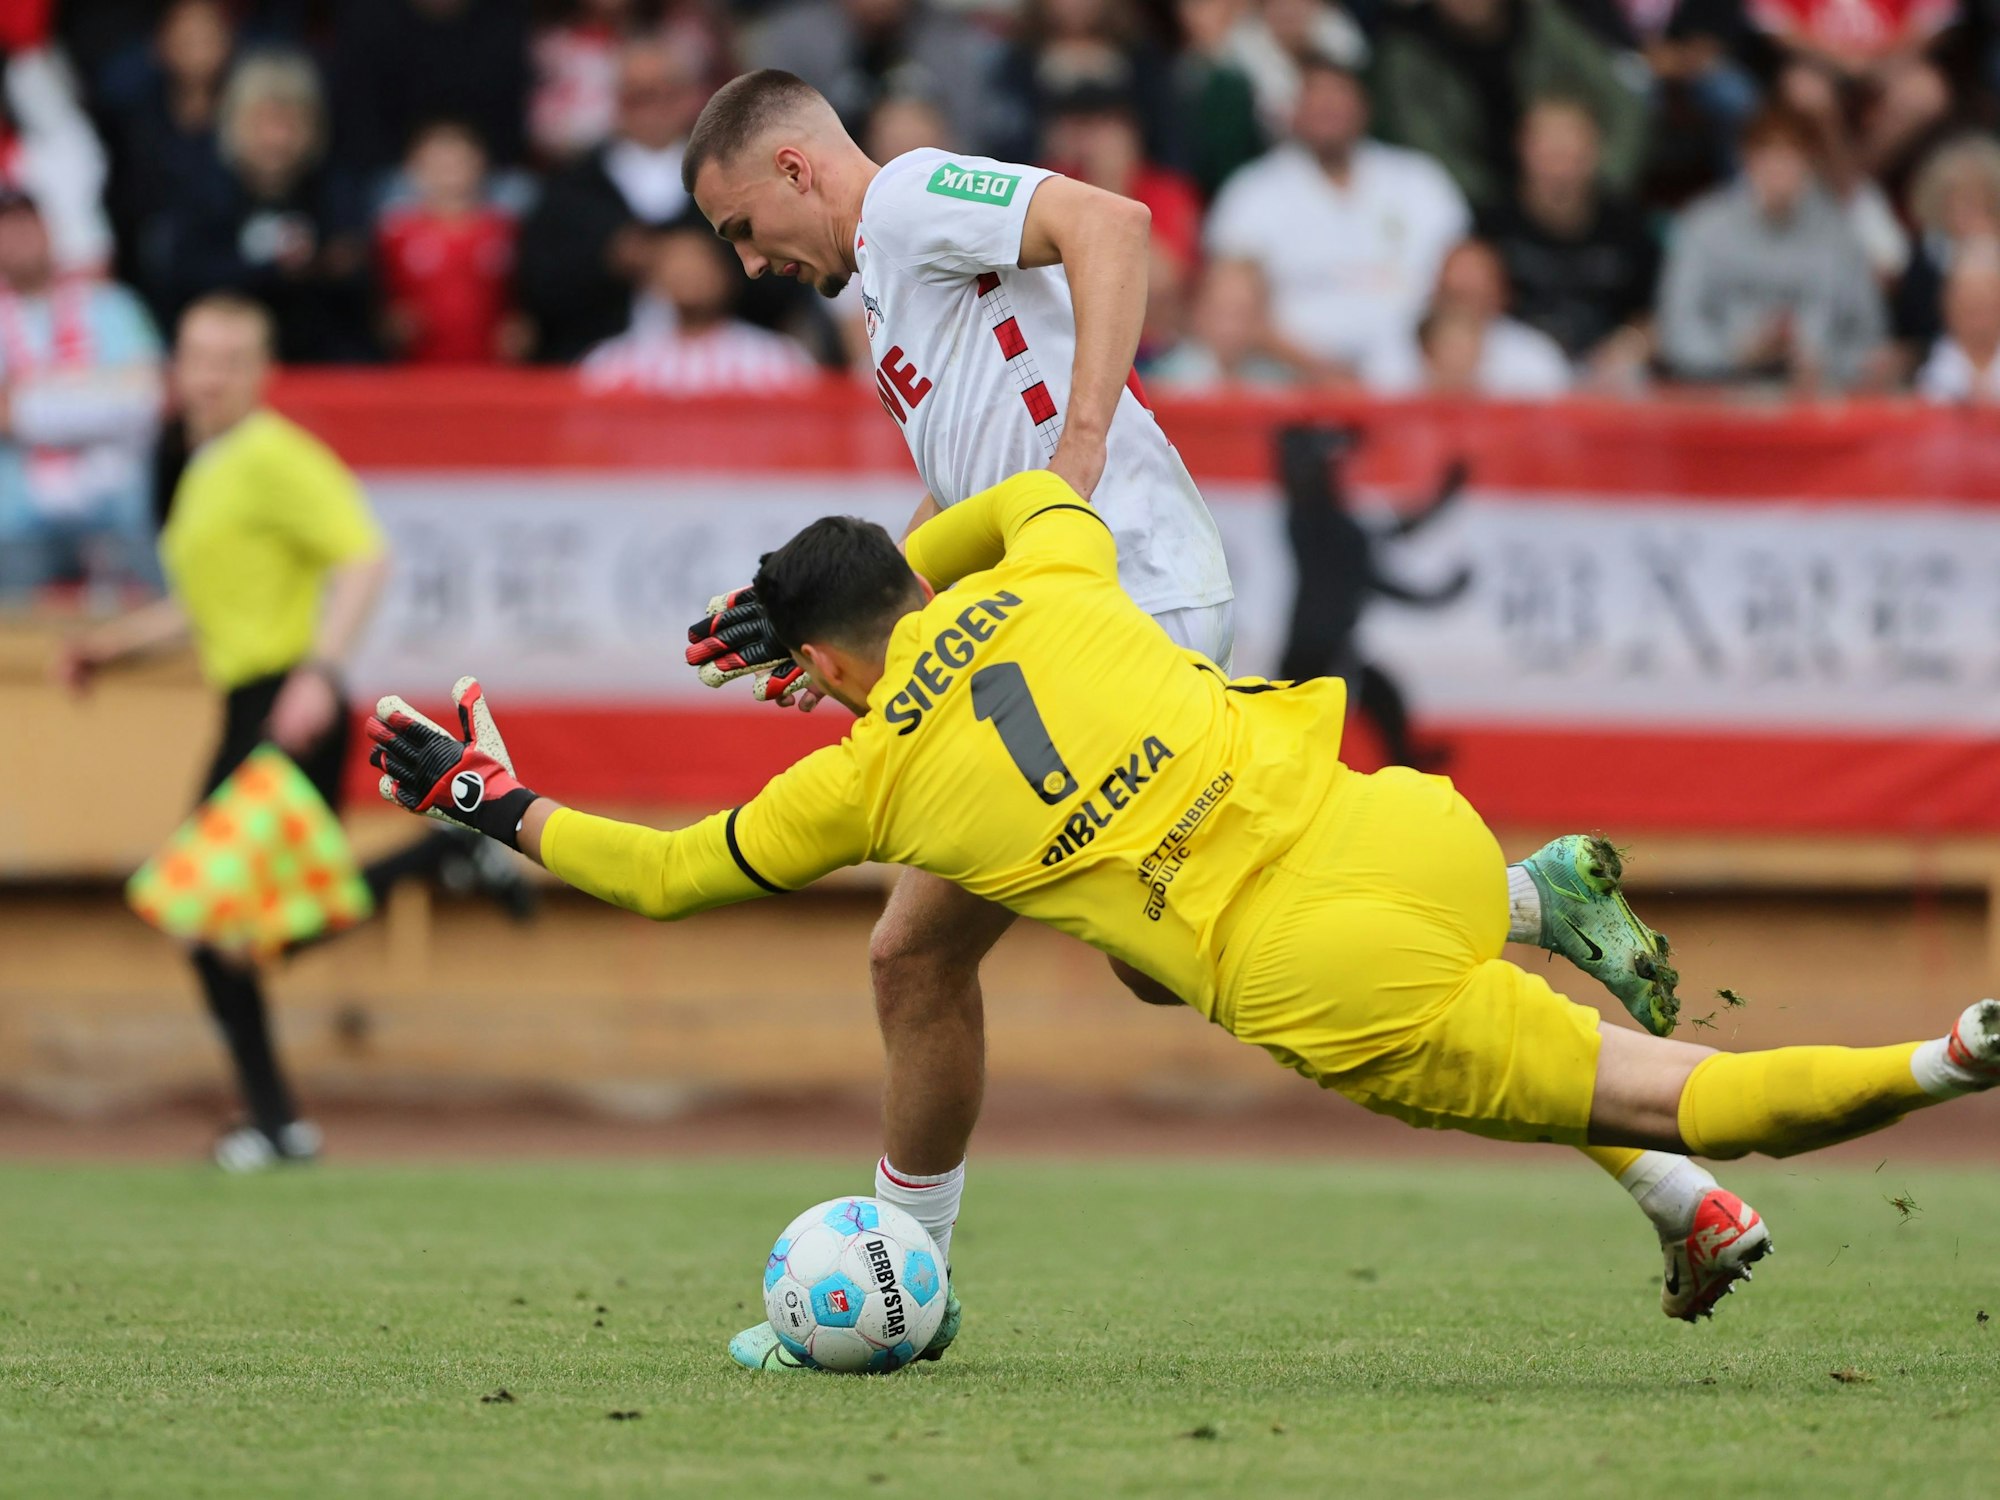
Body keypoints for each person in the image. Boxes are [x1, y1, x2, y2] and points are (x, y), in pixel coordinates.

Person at [374, 472, 2000, 1369]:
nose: (796, 696)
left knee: (1679, 1097)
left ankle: (1943, 1060)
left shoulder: (867, 782)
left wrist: (476, 796)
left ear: (836, 660)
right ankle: (1538, 903)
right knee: (1612, 1069)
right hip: (1397, 824)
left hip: (1318, 973)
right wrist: (862, 581)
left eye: (796, 669)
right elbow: (1023, 494)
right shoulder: (1060, 575)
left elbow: (657, 872)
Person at [665, 69, 1721, 1368]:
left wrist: (1086, 448)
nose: (752, 262)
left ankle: (904, 1284)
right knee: (1246, 938)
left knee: (920, 957)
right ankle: (1637, 1112)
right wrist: (844, 637)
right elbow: (988, 473)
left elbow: (1111, 222)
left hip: (1130, 596)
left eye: (740, 230)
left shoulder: (915, 196)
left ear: (792, 171)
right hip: (1085, 617)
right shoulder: (887, 280)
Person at [53, 294, 387, 1170]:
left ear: (260, 371)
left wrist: (318, 674)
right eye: (196, 356)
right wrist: (109, 650)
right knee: (229, 929)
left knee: (207, 919)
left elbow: (363, 557)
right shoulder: (208, 465)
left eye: (228, 358)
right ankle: (277, 1125)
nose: (208, 375)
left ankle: (275, 1124)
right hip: (248, 704)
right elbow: (200, 612)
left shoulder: (275, 454)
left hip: (288, 706)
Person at [1204, 57, 1469, 380]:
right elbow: (1230, 301)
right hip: (1289, 376)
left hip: (1421, 371)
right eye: (1316, 97)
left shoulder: (1419, 180)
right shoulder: (1252, 192)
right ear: (1293, 110)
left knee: (1533, 365)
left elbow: (1468, 277)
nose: (1328, 108)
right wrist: (1325, 374)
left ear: (1365, 106)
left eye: (1339, 96)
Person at [134, 50, 376, 363]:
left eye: (291, 123)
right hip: (222, 365)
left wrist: (325, 267)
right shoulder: (200, 188)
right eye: (264, 122)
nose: (277, 139)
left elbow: (359, 291)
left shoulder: (337, 191)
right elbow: (183, 278)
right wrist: (272, 271)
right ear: (235, 122)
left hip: (317, 366)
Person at [0, 189, 165, 600]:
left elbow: (150, 400)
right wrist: (98, 392)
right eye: (5, 228)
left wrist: (27, 407)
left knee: (161, 610)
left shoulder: (114, 307)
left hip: (119, 517)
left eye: (26, 224)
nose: (16, 238)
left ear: (49, 230)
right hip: (16, 528)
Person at [1657, 105, 1887, 391]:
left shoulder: (1840, 235)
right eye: (1769, 155)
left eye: (1792, 157)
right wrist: (1736, 354)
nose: (1779, 168)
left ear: (1811, 163)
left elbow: (1869, 338)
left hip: (1816, 395)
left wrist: (1822, 360)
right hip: (1720, 393)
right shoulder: (1703, 227)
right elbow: (1677, 329)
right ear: (1746, 158)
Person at [514, 37, 707, 361]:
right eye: (638, 97)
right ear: (617, 101)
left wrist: (710, 270)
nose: (654, 109)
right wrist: (605, 262)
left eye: (667, 94)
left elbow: (779, 287)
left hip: (717, 374)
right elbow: (536, 289)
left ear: (692, 98)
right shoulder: (570, 189)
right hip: (591, 375)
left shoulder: (734, 182)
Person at [1369, 0, 1650, 214]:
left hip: (1574, 197)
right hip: (1471, 209)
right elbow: (1427, 149)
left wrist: (1601, 181)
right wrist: (1499, 209)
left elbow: (1624, 102)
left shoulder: (1538, 16)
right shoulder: (1407, 47)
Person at [1480, 97, 1659, 390]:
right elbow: (1464, 309)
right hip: (1511, 384)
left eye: (1571, 154)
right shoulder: (1492, 226)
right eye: (1549, 154)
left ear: (1594, 153)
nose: (1560, 169)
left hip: (1607, 385)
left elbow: (1655, 313)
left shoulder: (1626, 226)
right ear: (1523, 149)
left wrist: (1631, 345)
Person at [580, 221, 818, 391]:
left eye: (699, 262)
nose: (689, 273)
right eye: (676, 264)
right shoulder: (611, 365)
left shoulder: (777, 360)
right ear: (653, 278)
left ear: (728, 275)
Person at [376, 121, 522, 364]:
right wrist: (389, 323)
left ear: (480, 163)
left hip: (492, 368)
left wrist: (522, 324)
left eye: (458, 161)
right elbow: (380, 298)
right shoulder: (395, 232)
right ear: (413, 168)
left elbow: (524, 295)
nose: (449, 172)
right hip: (417, 370)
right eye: (438, 163)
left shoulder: (505, 230)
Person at [1361, 239, 1573, 397]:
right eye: (1454, 295)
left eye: (1474, 296)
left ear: (1501, 296)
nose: (1464, 310)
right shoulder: (1393, 356)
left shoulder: (1536, 360)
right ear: (1435, 293)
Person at [1145, 257, 1296, 391]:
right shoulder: (1170, 376)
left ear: (1261, 317)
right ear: (1197, 311)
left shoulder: (1271, 376)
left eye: (1241, 314)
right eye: (1218, 313)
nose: (1229, 328)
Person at [1913, 236, 2000, 401]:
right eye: (1968, 307)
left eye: (1985, 305)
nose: (1978, 320)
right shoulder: (1930, 373)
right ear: (1948, 308)